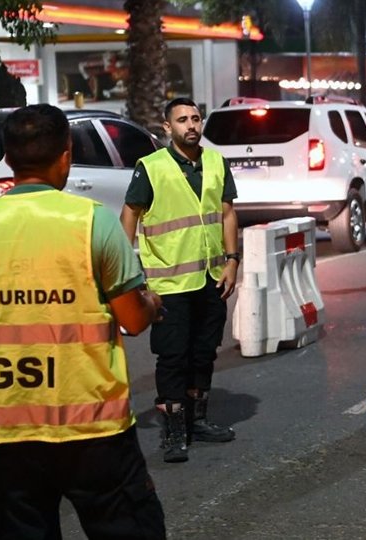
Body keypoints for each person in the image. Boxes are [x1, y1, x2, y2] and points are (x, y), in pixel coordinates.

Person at [0, 104, 166, 539]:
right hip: (90, 420)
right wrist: (152, 303)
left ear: (7, 158)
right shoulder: (91, 220)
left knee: (25, 527)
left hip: (6, 418)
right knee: (127, 523)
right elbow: (133, 320)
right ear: (66, 154)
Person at [121, 97, 239, 463]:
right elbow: (130, 215)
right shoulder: (151, 167)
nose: (191, 125)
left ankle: (196, 420)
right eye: (182, 120)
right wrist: (129, 271)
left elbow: (228, 213)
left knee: (204, 351)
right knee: (173, 357)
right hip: (169, 284)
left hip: (210, 277)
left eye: (196, 118)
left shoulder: (216, 162)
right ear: (167, 127)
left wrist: (232, 260)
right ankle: (174, 432)